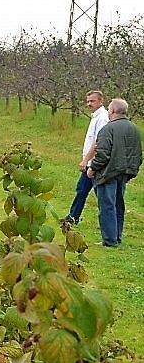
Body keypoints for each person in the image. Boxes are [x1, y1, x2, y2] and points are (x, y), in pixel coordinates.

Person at [87, 98, 141, 247]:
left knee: (107, 206)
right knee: (118, 204)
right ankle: (116, 237)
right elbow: (137, 153)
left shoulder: (108, 129)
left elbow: (102, 154)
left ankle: (110, 240)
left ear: (112, 111)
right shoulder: (134, 128)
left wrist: (92, 168)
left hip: (108, 173)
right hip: (125, 172)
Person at [62, 90, 109, 225]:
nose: (89, 104)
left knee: (100, 194)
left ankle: (107, 224)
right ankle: (73, 216)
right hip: (90, 163)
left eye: (92, 101)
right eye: (88, 101)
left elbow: (98, 142)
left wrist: (86, 160)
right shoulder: (95, 117)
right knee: (82, 189)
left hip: (95, 164)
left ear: (101, 101)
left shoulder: (103, 118)